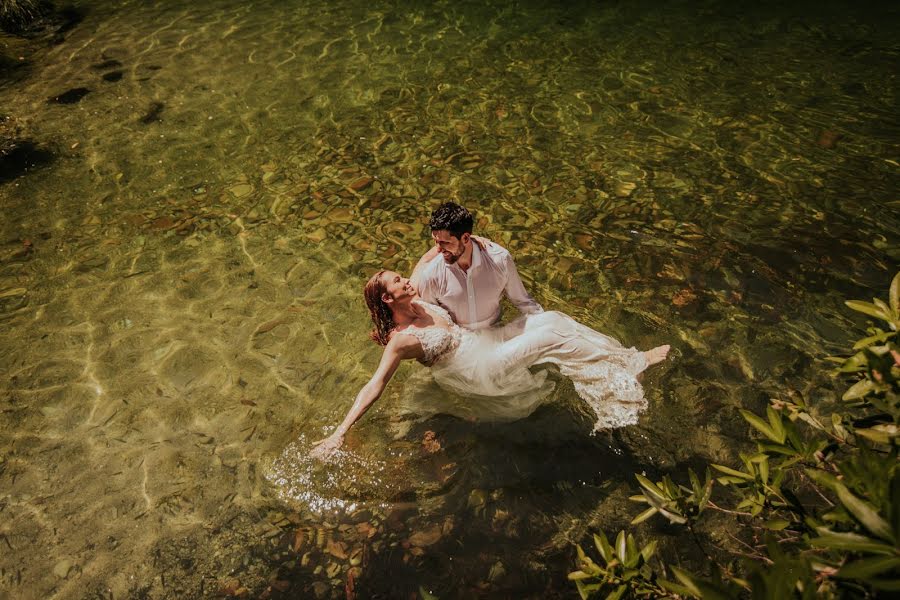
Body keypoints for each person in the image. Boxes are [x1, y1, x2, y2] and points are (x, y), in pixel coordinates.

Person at [309, 270, 670, 460]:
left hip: (481, 343)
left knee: (553, 320)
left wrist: (468, 240)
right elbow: (374, 384)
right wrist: (340, 432)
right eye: (398, 281)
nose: (408, 279)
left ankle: (624, 362)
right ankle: (623, 384)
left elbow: (436, 247)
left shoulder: (416, 298)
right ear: (389, 298)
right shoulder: (401, 340)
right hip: (474, 369)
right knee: (548, 339)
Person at [409, 202, 542, 330]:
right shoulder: (431, 275)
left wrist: (542, 326)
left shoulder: (500, 260)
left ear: (466, 238)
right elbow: (431, 321)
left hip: (497, 331)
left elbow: (523, 302)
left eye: (445, 242)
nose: (438, 249)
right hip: (459, 342)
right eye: (436, 241)